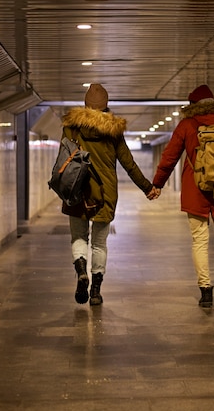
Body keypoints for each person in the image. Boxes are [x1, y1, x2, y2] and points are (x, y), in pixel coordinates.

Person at [152, 84, 214, 308]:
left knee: (200, 241)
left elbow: (169, 157)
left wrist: (157, 184)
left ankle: (205, 290)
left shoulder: (187, 125)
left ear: (192, 106)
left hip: (195, 191)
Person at [61, 83, 159, 306]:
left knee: (78, 236)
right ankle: (95, 291)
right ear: (106, 107)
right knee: (99, 243)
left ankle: (81, 271)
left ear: (85, 104)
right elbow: (128, 163)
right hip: (105, 193)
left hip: (77, 190)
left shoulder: (71, 127)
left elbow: (62, 158)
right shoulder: (113, 131)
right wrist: (147, 187)